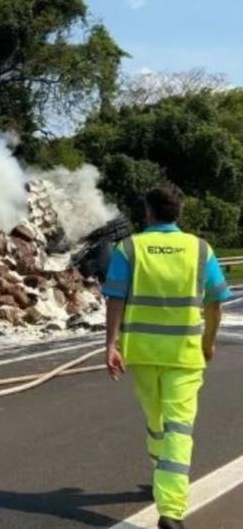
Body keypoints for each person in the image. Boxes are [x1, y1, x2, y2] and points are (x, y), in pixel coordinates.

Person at [102, 184, 231, 529]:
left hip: (141, 353)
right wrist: (209, 341)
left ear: (148, 212)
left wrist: (110, 345)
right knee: (179, 428)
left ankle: (163, 481)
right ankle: (171, 510)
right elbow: (215, 303)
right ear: (180, 212)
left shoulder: (129, 248)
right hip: (184, 355)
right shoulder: (199, 249)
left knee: (158, 422)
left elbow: (115, 299)